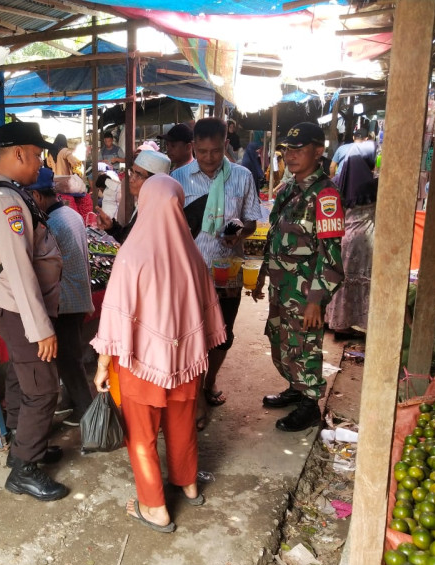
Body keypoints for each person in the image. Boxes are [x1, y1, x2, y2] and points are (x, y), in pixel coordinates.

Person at [92, 174, 226, 533]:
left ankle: (154, 508)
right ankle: (189, 484)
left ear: (144, 204)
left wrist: (103, 365)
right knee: (182, 426)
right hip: (185, 362)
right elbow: (207, 312)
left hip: (140, 363)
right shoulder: (193, 255)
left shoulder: (131, 254)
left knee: (142, 436)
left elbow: (116, 316)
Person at [0, 122, 67, 501]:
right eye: (36, 155)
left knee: (22, 375)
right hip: (18, 309)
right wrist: (40, 329)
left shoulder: (11, 194)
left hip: (14, 308)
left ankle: (24, 444)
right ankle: (24, 469)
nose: (39, 163)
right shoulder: (7, 201)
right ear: (18, 153)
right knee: (43, 387)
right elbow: (19, 269)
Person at [252, 122, 345, 432]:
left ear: (318, 151)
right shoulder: (290, 189)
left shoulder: (325, 195)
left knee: (304, 346)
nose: (291, 155)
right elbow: (275, 236)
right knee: (280, 340)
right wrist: (263, 274)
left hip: (306, 292)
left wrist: (316, 301)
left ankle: (310, 404)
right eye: (288, 149)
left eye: (299, 149)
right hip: (282, 287)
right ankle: (296, 386)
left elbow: (332, 257)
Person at [171, 117, 261, 420]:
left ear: (225, 144)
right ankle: (192, 395)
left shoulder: (242, 176)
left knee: (223, 334)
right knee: (191, 334)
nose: (209, 158)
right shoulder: (179, 177)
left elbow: (251, 221)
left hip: (227, 270)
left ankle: (209, 382)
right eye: (202, 151)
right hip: (188, 273)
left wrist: (239, 232)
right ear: (193, 147)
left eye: (215, 151)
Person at [26, 168, 95, 426]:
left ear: (37, 195)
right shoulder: (70, 213)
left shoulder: (51, 224)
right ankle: (70, 401)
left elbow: (46, 266)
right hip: (76, 294)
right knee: (69, 354)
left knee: (68, 359)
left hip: (65, 299)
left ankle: (86, 412)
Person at [325, 151, 378, 337]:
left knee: (342, 280)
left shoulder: (338, 184)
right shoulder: (373, 186)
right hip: (367, 240)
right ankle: (360, 322)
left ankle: (337, 322)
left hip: (344, 237)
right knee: (362, 281)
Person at [93, 150, 170, 243]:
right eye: (132, 172)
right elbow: (128, 239)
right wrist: (111, 227)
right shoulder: (142, 204)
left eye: (138, 175)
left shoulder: (158, 213)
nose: (131, 180)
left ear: (154, 181)